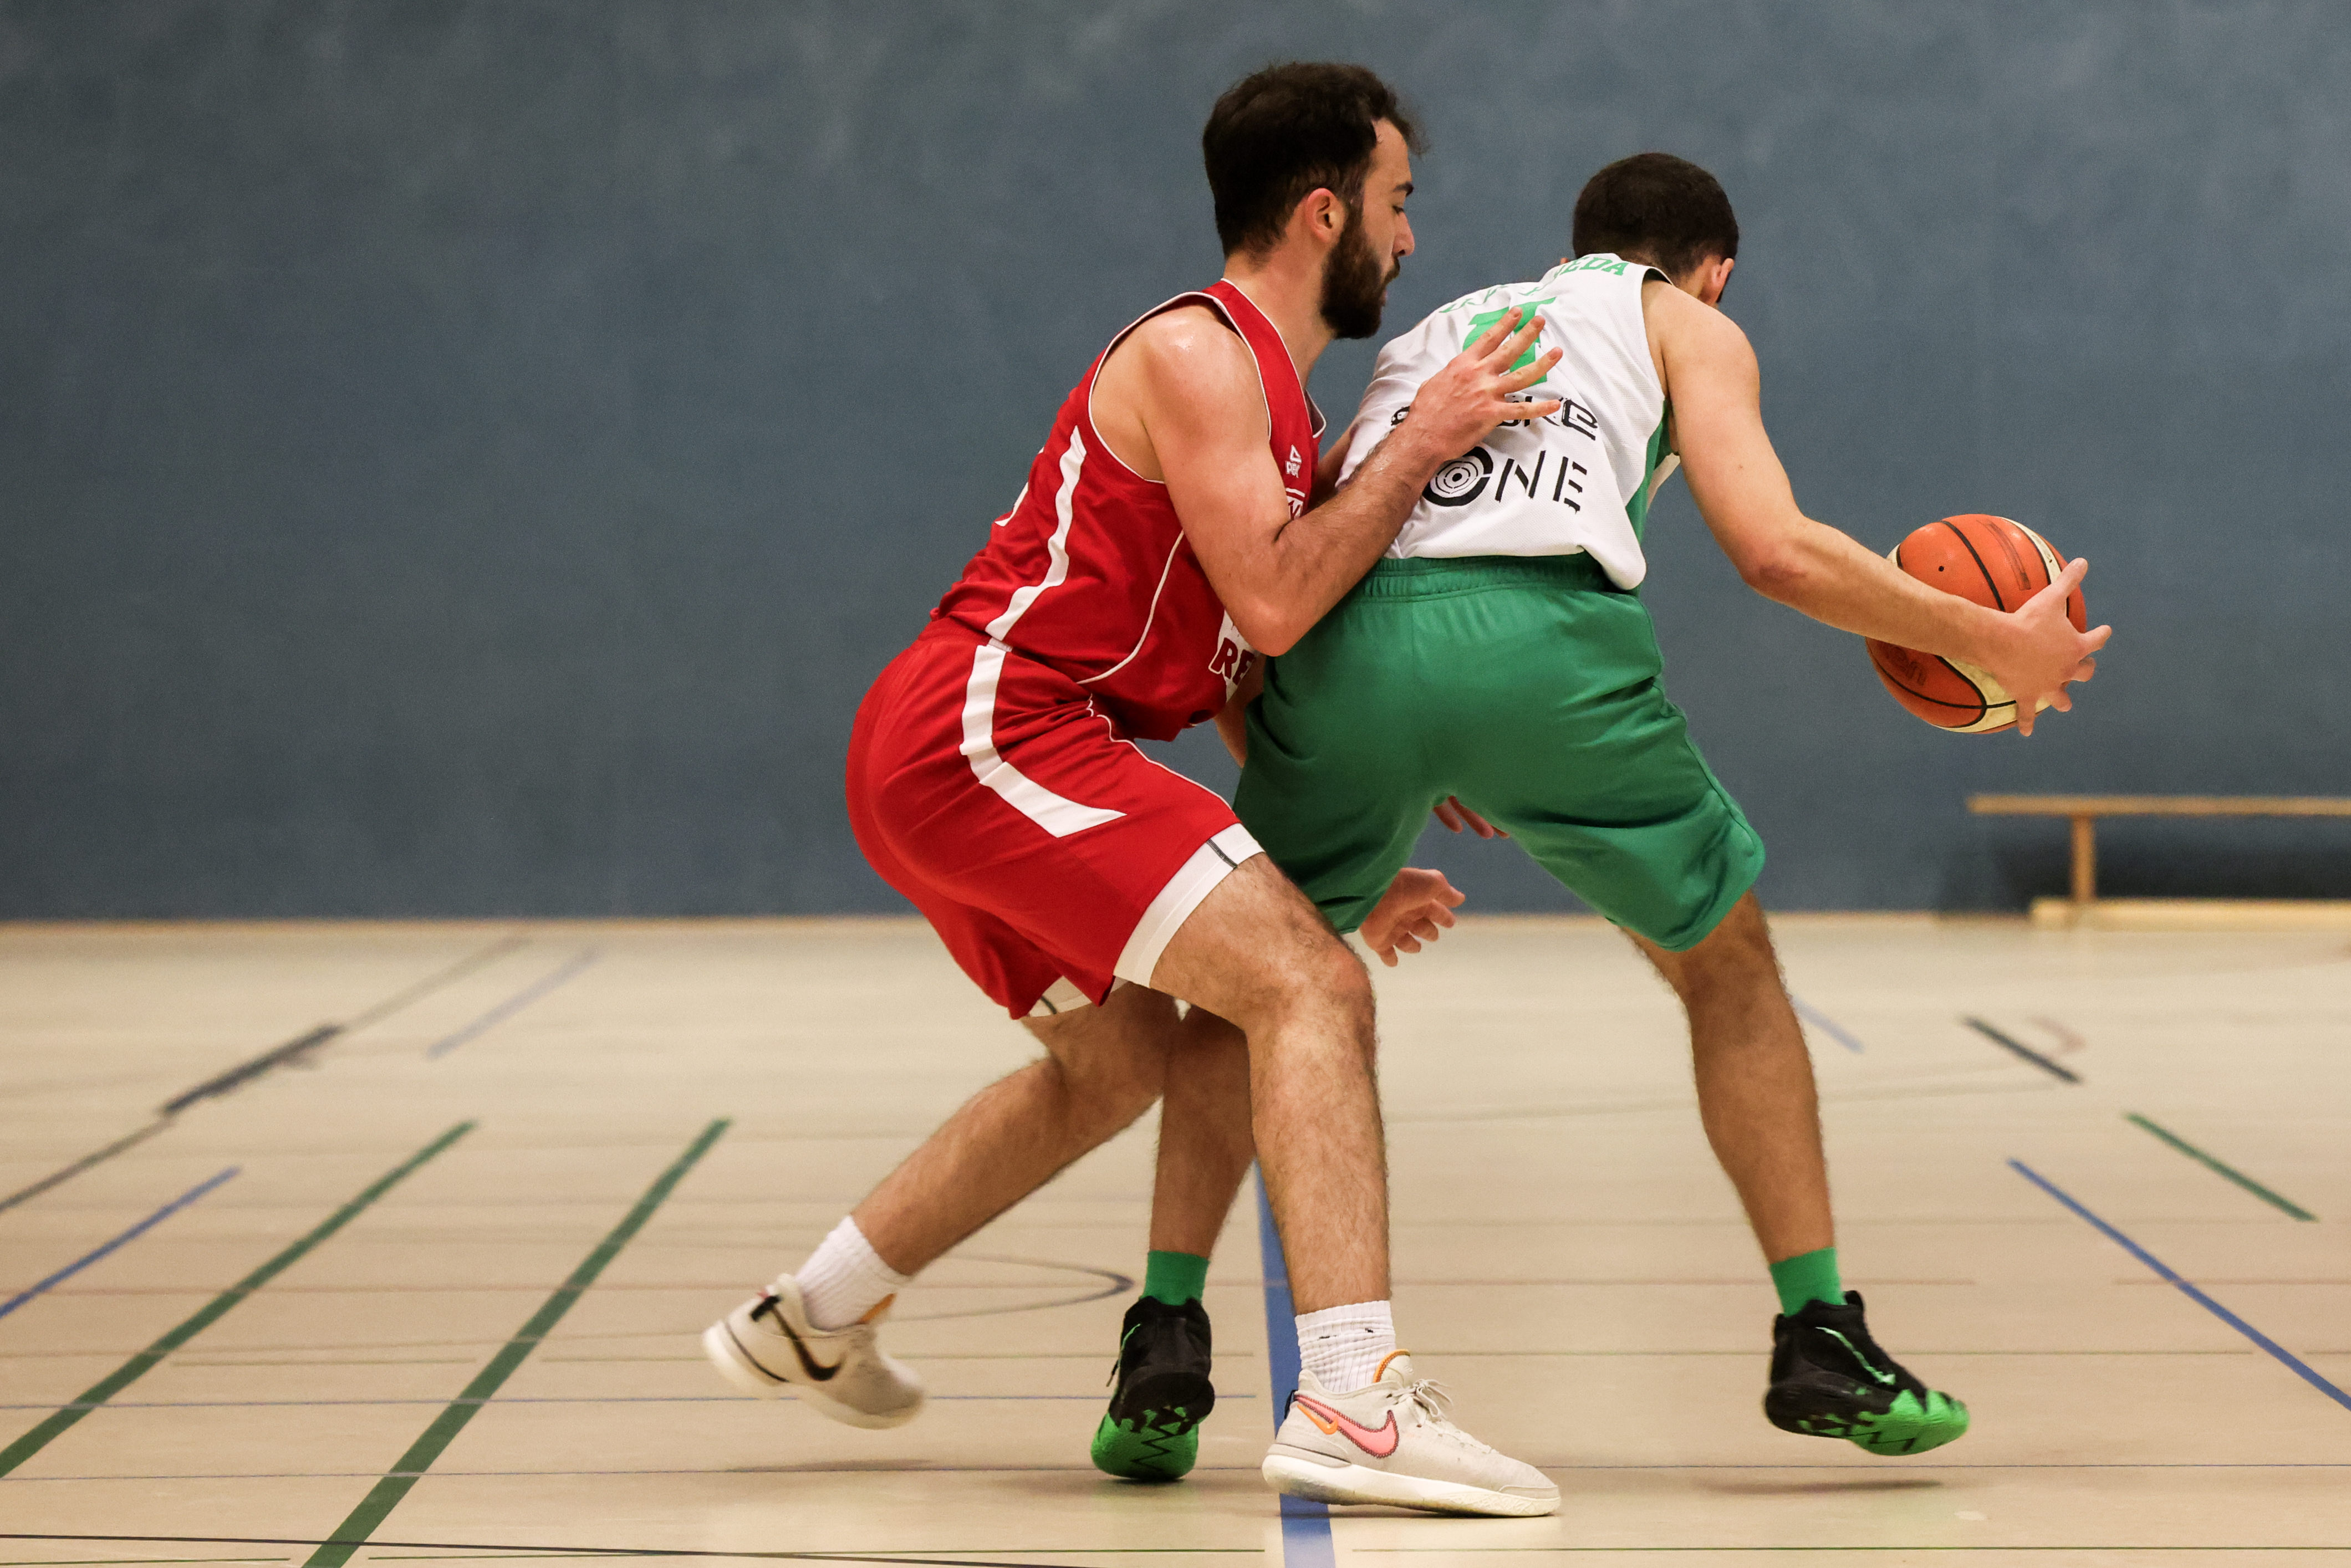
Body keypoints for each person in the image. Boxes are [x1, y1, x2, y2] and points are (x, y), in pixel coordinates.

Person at [1137, 152, 2113, 1467]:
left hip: (1346, 652)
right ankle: (1818, 1326)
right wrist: (1986, 634)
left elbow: (1327, 532)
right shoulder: (1685, 325)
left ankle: (1164, 1329)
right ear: (1713, 273)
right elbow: (1773, 547)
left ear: (1574, 246)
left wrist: (1411, 728)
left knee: (1255, 988)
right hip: (1546, 650)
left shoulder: (1440, 327)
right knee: (1730, 967)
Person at [702, 63, 1567, 1519]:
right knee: (1308, 987)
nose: (1409, 235)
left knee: (1117, 1064)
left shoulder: (1273, 404)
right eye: (1397, 200)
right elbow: (1279, 601)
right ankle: (1355, 1396)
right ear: (1324, 212)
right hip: (995, 729)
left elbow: (1238, 667)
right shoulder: (1200, 354)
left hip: (976, 747)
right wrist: (1423, 442)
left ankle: (812, 1311)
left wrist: (1348, 849)